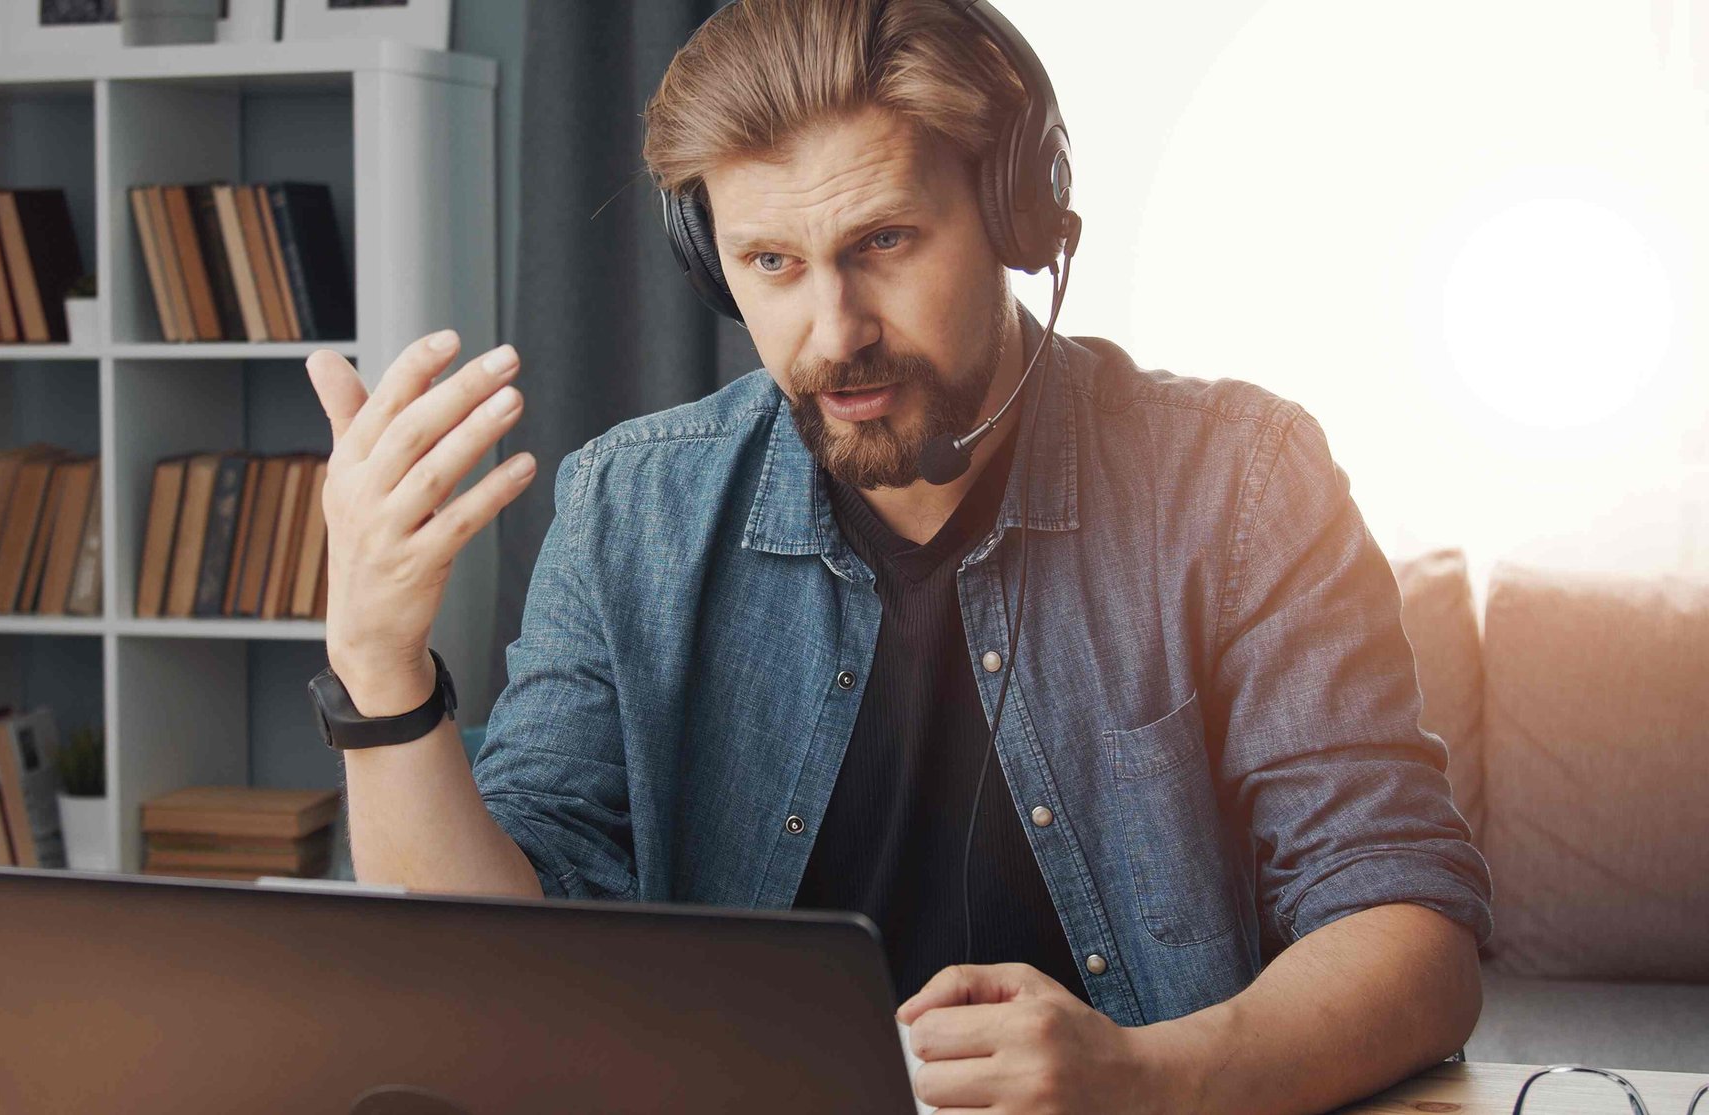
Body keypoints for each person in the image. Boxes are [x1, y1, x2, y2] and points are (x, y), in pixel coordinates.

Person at [302, 0, 1492, 1110]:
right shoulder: (631, 505)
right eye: (769, 263)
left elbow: (1409, 927)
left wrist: (1143, 1076)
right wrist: (376, 666)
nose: (834, 334)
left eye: (883, 240)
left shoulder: (1240, 480)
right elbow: (498, 953)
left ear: (1018, 221)